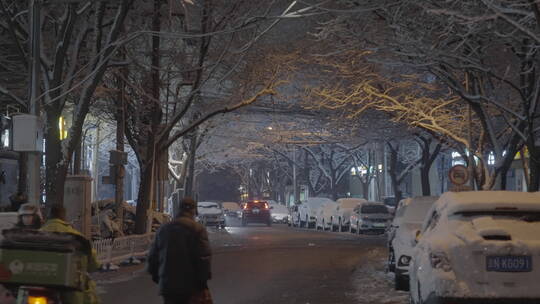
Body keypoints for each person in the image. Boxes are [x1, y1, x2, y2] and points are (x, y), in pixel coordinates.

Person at [148, 197, 212, 304]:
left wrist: (157, 276)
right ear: (193, 211)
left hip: (168, 286)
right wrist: (202, 282)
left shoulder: (164, 229)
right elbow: (203, 258)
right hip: (191, 286)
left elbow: (153, 257)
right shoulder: (198, 229)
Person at [41, 204, 101, 304]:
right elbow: (92, 262)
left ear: (49, 216)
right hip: (69, 286)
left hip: (41, 282)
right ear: (64, 217)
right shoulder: (77, 236)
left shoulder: (37, 234)